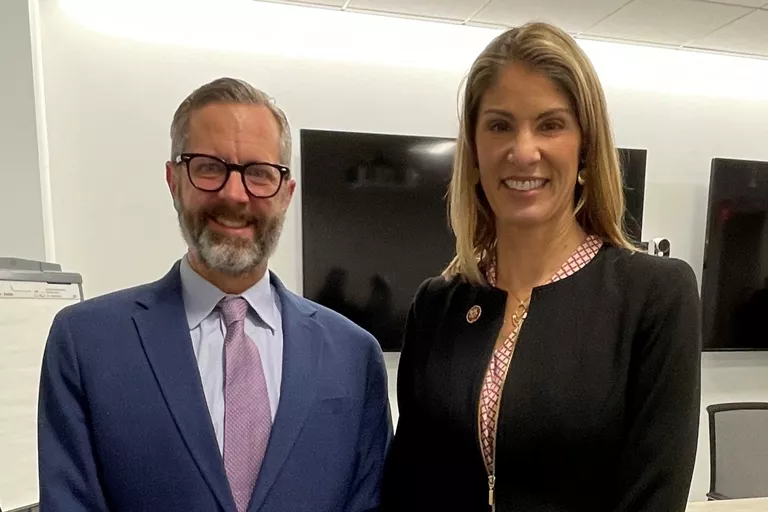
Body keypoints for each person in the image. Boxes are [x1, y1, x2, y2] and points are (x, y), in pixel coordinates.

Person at [381, 22, 701, 512]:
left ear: (585, 147)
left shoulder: (654, 296)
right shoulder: (437, 304)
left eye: (550, 124)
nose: (523, 151)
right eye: (499, 125)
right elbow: (410, 484)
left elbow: (653, 496)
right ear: (474, 148)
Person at [38, 77, 392, 512]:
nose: (234, 194)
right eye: (209, 167)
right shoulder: (85, 344)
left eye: (259, 174)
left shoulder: (354, 356)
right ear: (173, 180)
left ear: (286, 194)